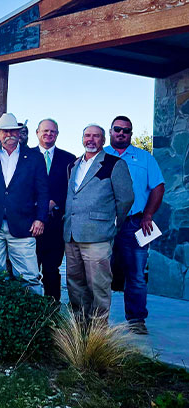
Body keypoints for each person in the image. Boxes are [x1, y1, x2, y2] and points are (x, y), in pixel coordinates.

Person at [64, 125, 134, 323]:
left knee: (98, 286)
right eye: (87, 135)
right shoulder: (73, 165)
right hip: (71, 234)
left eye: (96, 136)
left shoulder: (114, 164)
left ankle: (98, 335)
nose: (91, 139)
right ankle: (80, 329)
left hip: (98, 235)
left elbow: (126, 199)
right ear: (82, 138)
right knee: (75, 284)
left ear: (103, 140)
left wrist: (112, 225)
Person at [105, 116, 165, 334]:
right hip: (105, 224)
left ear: (131, 134)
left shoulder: (144, 158)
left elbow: (158, 186)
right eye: (118, 129)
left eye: (127, 131)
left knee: (136, 274)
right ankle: (97, 320)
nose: (122, 133)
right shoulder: (100, 156)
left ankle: (136, 320)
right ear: (110, 131)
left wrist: (148, 215)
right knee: (99, 272)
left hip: (135, 223)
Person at [0, 113, 48, 294]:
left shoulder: (34, 157)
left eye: (13, 131)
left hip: (24, 225)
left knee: (30, 277)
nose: (9, 134)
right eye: (5, 131)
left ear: (19, 134)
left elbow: (42, 192)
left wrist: (40, 219)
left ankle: (34, 318)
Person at [34, 119, 77, 302]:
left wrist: (55, 202)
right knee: (30, 270)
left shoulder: (69, 159)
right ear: (37, 133)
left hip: (56, 224)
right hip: (31, 223)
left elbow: (73, 189)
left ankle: (52, 311)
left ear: (57, 134)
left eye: (52, 131)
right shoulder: (27, 156)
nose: (48, 134)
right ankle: (31, 311)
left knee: (52, 269)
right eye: (45, 131)